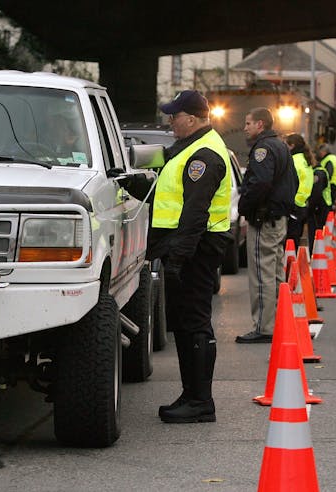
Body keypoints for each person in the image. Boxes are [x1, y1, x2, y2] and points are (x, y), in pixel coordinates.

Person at [134, 90, 232, 423]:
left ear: (191, 118)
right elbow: (163, 185)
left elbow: (194, 213)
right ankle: (191, 395)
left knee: (194, 323)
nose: (169, 121)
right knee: (186, 324)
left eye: (174, 116)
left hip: (196, 248)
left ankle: (200, 401)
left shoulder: (204, 155)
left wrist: (177, 258)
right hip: (188, 247)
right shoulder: (190, 146)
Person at [235, 108, 297, 344]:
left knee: (262, 274)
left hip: (264, 219)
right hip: (277, 218)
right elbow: (295, 180)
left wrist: (245, 207)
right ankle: (278, 321)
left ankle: (264, 326)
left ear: (260, 124)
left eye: (248, 123)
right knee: (275, 274)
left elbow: (260, 183)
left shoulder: (263, 149)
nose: (245, 128)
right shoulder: (280, 145)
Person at [284, 133, 314, 250]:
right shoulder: (305, 160)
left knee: (289, 242)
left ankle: (289, 266)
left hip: (293, 204)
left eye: (285, 145)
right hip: (302, 204)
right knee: (295, 241)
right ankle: (293, 265)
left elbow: (288, 183)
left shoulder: (293, 161)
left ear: (292, 146)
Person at [307, 153, 332, 252]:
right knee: (319, 231)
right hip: (323, 205)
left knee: (315, 232)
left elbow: (316, 193)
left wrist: (311, 207)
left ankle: (315, 252)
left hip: (319, 207)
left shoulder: (318, 173)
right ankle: (318, 251)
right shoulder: (320, 171)